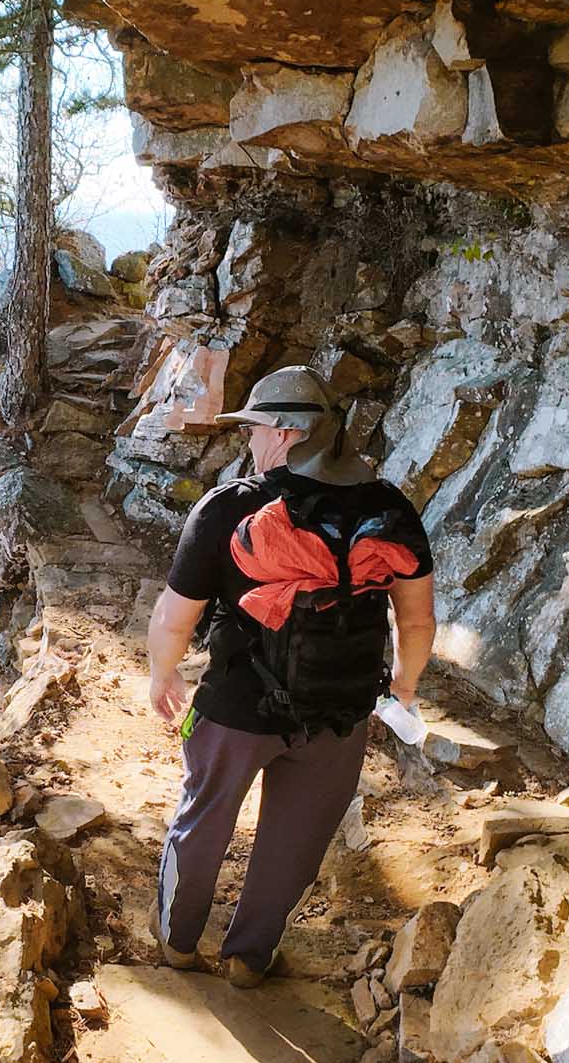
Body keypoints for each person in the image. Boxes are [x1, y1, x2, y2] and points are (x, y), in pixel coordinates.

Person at [144, 365, 436, 987]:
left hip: (235, 708)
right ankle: (250, 957)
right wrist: (403, 690)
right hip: (341, 710)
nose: (248, 441)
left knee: (204, 818)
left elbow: (175, 617)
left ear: (281, 433)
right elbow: (416, 623)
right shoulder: (391, 508)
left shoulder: (230, 507)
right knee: (295, 841)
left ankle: (177, 939)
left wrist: (162, 676)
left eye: (253, 428)